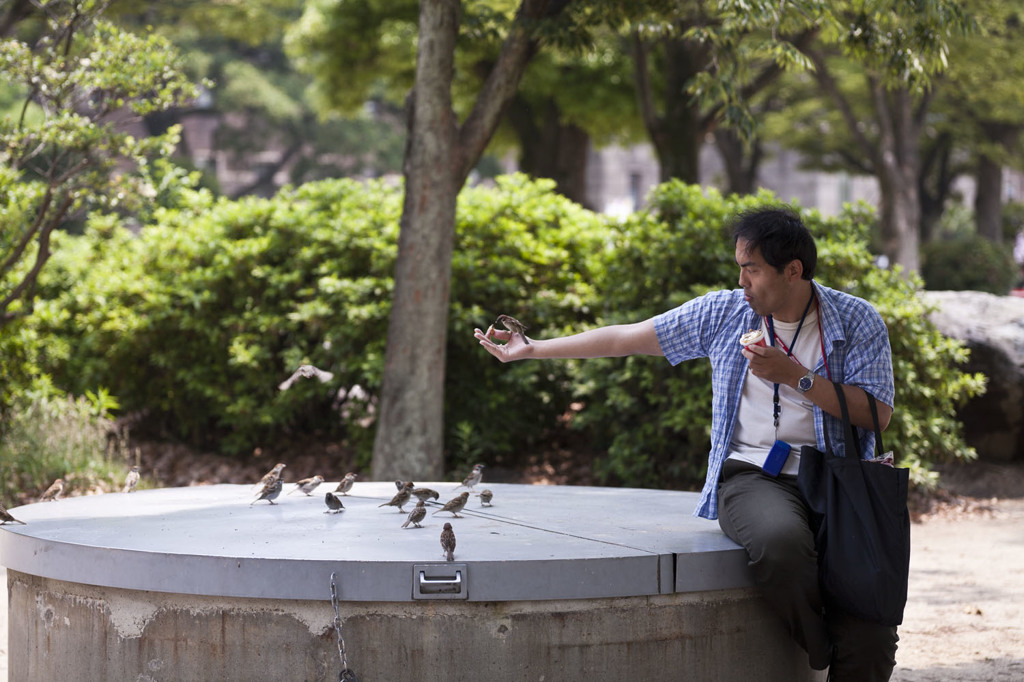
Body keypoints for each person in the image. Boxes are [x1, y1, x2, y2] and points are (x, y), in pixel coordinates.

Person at [474, 206, 898, 681]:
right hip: (754, 477)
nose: (741, 281)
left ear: (792, 270)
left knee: (874, 639)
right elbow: (625, 338)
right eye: (739, 267)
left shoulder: (856, 320)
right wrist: (531, 349)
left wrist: (796, 378)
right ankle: (820, 643)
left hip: (841, 478)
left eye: (751, 269)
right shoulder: (724, 312)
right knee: (780, 544)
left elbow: (877, 412)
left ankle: (847, 641)